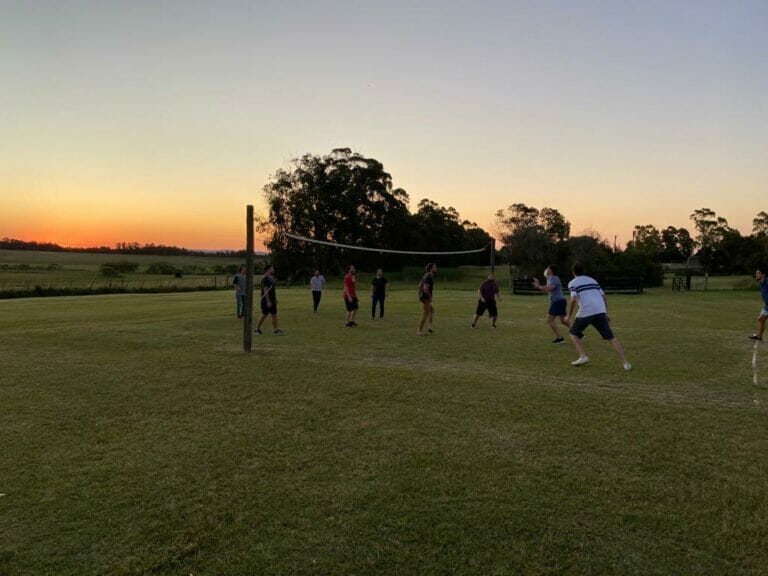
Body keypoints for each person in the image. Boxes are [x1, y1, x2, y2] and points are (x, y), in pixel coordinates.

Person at [565, 262, 631, 370]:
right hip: (600, 310)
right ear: (583, 271)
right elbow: (604, 296)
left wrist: (568, 315)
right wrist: (605, 313)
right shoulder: (592, 280)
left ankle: (583, 356)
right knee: (611, 338)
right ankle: (626, 363)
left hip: (586, 310)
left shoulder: (572, 283)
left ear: (573, 272)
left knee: (573, 333)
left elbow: (573, 299)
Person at [533, 265, 571, 342]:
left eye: (548, 268)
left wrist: (538, 286)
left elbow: (548, 288)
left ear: (551, 271)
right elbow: (546, 290)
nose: (547, 269)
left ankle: (560, 338)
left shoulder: (554, 278)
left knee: (550, 320)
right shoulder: (549, 279)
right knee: (564, 321)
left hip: (558, 302)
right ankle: (578, 332)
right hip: (559, 301)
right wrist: (538, 285)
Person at [255, 264, 285, 336]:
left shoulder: (271, 278)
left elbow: (272, 290)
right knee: (264, 314)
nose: (273, 269)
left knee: (274, 315)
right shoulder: (264, 278)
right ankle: (257, 330)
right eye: (272, 268)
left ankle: (276, 330)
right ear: (268, 269)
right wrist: (268, 301)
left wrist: (275, 299)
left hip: (272, 300)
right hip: (266, 300)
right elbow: (265, 290)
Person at [417, 263, 438, 335]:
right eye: (435, 267)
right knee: (425, 313)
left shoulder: (426, 275)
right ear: (431, 269)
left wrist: (419, 294)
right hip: (425, 296)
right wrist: (430, 296)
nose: (436, 268)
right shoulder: (429, 276)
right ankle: (419, 330)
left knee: (431, 310)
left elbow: (419, 285)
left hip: (423, 296)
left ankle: (430, 327)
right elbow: (425, 288)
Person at [749, 267, 768, 341]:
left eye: (758, 273)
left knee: (761, 319)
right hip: (767, 305)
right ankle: (759, 336)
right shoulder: (761, 283)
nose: (756, 274)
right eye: (756, 273)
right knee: (761, 319)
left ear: (763, 275)